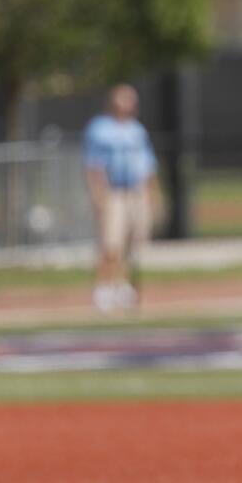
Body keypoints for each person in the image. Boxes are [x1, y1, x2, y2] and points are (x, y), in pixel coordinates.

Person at [83, 84, 161, 312]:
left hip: (135, 192)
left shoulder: (137, 130)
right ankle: (104, 288)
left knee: (132, 243)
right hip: (113, 191)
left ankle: (123, 285)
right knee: (111, 243)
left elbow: (147, 165)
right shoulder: (100, 129)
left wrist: (153, 194)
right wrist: (98, 193)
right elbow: (93, 164)